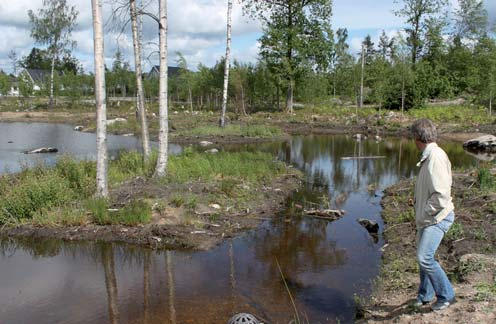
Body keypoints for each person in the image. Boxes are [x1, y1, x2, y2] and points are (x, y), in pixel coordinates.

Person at [410, 119, 455, 311]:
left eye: (413, 137)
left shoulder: (435, 157)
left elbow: (441, 195)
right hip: (428, 217)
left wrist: (425, 212)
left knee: (424, 258)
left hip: (437, 217)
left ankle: (446, 295)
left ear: (418, 138)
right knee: (424, 259)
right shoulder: (429, 155)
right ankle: (425, 295)